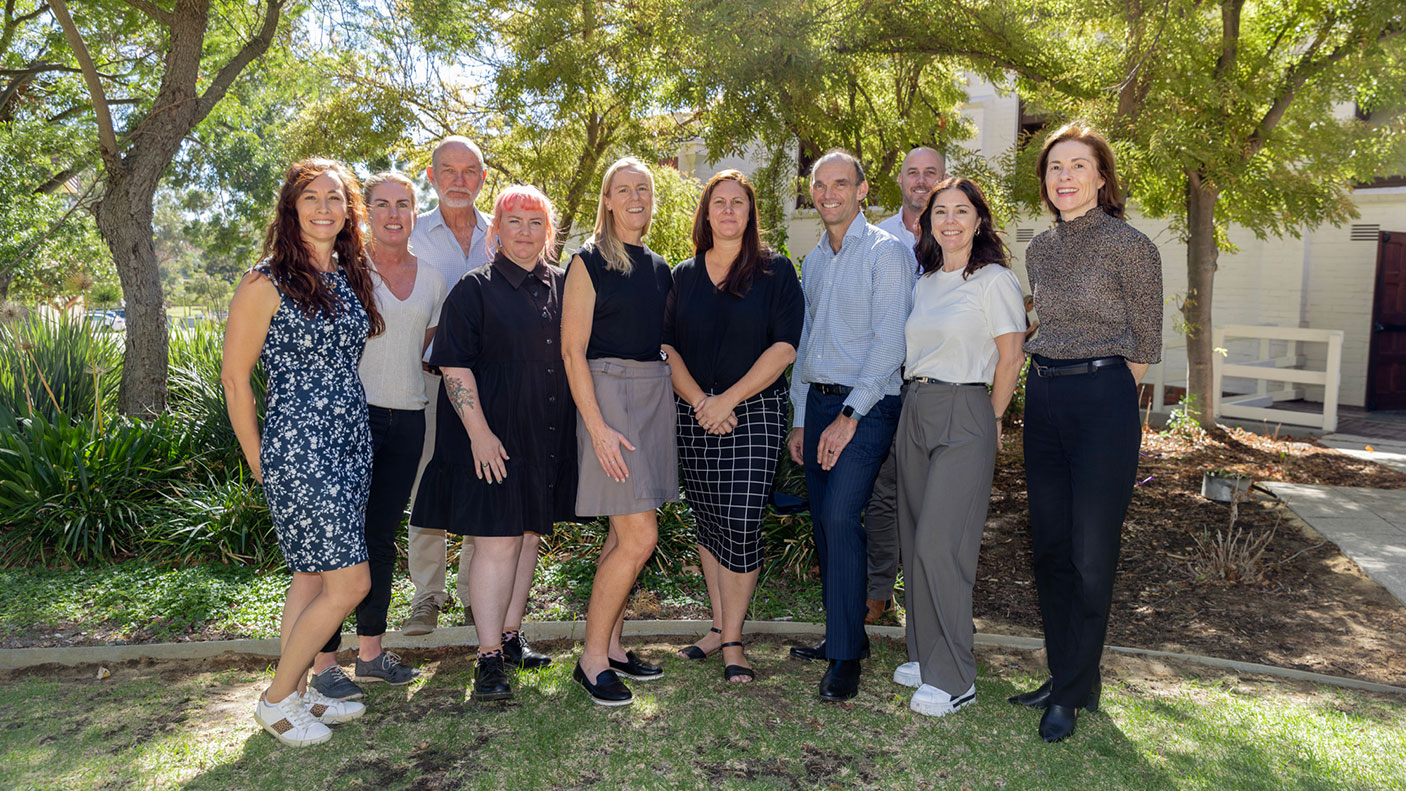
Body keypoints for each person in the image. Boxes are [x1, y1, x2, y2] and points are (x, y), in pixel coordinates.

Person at [1007, 122, 1163, 742]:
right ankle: (1072, 674)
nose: (1064, 177)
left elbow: (1145, 345)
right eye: (1055, 168)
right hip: (1043, 397)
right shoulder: (1040, 249)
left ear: (1101, 176)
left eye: (1077, 166)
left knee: (1090, 551)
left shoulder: (1131, 246)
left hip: (1103, 399)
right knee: (1048, 547)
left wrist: (1101, 392)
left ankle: (1071, 693)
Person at [222, 158, 382, 746]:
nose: (323, 208)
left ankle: (295, 693)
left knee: (311, 576)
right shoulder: (265, 281)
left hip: (348, 443)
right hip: (299, 445)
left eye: (335, 198)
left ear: (348, 210)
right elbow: (236, 380)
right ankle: (273, 703)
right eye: (310, 197)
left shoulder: (345, 274)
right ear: (291, 208)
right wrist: (257, 457)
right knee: (352, 583)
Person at [411, 185, 575, 702]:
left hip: (544, 433)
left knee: (527, 537)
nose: (525, 233)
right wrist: (480, 436)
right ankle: (485, 658)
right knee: (499, 541)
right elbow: (454, 366)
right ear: (496, 231)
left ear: (547, 233)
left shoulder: (565, 286)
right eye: (515, 222)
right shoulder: (472, 290)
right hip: (490, 437)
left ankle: (509, 637)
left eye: (535, 224)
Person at [305, 172, 445, 701]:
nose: (393, 214)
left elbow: (425, 349)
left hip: (408, 418)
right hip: (351, 417)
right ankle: (322, 664)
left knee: (380, 538)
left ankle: (370, 654)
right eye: (382, 204)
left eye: (404, 205)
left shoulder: (433, 279)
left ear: (414, 212)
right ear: (365, 213)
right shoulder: (342, 273)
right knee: (339, 543)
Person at [889, 177, 1025, 718]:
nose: (949, 220)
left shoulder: (993, 280)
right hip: (915, 409)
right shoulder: (924, 284)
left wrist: (992, 417)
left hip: (966, 410)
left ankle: (956, 676)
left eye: (960, 211)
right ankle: (925, 656)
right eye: (939, 211)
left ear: (978, 220)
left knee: (941, 545)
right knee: (914, 536)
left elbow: (1011, 359)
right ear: (927, 223)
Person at [662, 170, 804, 684]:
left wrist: (728, 400)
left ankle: (734, 640)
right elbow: (667, 346)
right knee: (709, 521)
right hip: (695, 412)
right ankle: (719, 626)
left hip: (755, 412)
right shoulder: (681, 275)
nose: (727, 211)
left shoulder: (775, 271)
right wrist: (702, 400)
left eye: (737, 203)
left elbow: (785, 347)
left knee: (741, 522)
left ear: (750, 213)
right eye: (717, 203)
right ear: (705, 214)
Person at [785, 149, 913, 702]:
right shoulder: (814, 261)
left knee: (840, 515)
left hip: (869, 405)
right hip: (817, 405)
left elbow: (890, 346)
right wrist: (798, 418)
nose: (829, 193)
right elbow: (806, 344)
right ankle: (843, 635)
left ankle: (845, 658)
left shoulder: (888, 255)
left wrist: (849, 416)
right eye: (820, 184)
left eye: (842, 183)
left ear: (863, 191)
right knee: (823, 521)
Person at [562, 157, 675, 706]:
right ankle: (590, 660)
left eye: (643, 189)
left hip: (652, 397)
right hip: (607, 400)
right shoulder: (586, 262)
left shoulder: (659, 268)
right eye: (623, 189)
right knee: (639, 537)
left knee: (620, 533)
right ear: (607, 200)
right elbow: (571, 349)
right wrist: (598, 428)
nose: (635, 197)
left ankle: (612, 647)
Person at [400, 136, 495, 637]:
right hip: (429, 383)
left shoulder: (500, 233)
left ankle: (479, 594)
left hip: (492, 388)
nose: (459, 180)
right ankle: (426, 598)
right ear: (432, 177)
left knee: (486, 483)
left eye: (470, 171)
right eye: (448, 171)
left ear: (482, 178)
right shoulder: (409, 236)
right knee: (427, 485)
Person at [863, 146, 944, 622]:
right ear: (899, 179)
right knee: (882, 493)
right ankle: (878, 592)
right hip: (885, 386)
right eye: (912, 172)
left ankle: (931, 599)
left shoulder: (957, 235)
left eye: (929, 173)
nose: (920, 180)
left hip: (938, 385)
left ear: (943, 178)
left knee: (934, 498)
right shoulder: (878, 239)